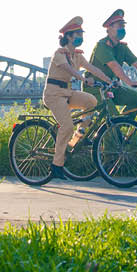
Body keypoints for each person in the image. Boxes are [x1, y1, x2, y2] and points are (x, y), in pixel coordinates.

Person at [43, 16, 111, 179]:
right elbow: (69, 70)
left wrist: (110, 81)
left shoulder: (78, 55)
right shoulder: (59, 54)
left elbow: (92, 68)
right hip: (53, 94)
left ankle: (78, 138)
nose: (81, 37)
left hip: (67, 93)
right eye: (78, 34)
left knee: (91, 101)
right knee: (66, 126)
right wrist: (83, 79)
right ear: (68, 37)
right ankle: (56, 166)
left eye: (82, 33)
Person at [86, 9, 137, 113]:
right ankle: (116, 127)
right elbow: (114, 66)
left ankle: (125, 125)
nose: (122, 29)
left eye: (123, 26)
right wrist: (130, 82)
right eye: (119, 25)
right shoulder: (101, 46)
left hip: (112, 87)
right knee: (113, 118)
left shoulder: (122, 47)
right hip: (95, 88)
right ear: (109, 28)